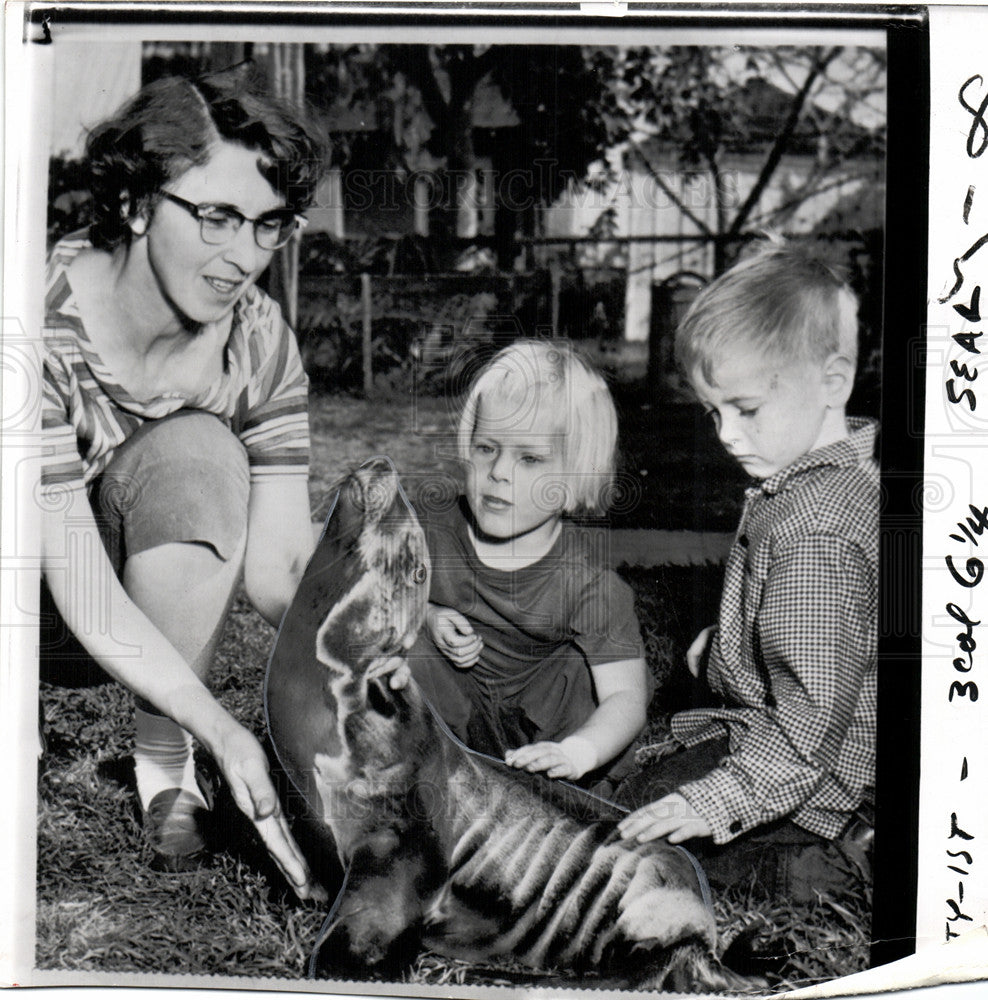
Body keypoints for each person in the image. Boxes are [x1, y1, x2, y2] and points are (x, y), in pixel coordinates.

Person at [40, 71, 362, 888]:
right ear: (140, 202)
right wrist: (224, 726)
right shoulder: (29, 322)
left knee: (199, 454)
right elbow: (75, 582)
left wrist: (384, 633)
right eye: (217, 216)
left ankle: (163, 767)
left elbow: (281, 569)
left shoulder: (257, 341)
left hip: (118, 615)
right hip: (30, 603)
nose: (244, 256)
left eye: (268, 225)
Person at [617, 238, 878, 899]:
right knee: (640, 797)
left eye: (747, 410)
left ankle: (833, 868)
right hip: (821, 757)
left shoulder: (814, 532)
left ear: (833, 381)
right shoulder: (833, 481)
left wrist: (714, 802)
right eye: (714, 411)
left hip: (818, 788)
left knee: (639, 845)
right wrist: (732, 650)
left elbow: (809, 720)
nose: (726, 435)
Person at [407, 339, 650, 795]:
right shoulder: (432, 528)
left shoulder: (587, 581)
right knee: (400, 638)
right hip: (453, 724)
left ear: (576, 474)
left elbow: (627, 698)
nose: (499, 471)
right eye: (486, 448)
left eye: (530, 458)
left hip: (550, 737)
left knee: (585, 675)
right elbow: (369, 593)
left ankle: (568, 806)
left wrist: (578, 752)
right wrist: (427, 615)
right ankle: (423, 792)